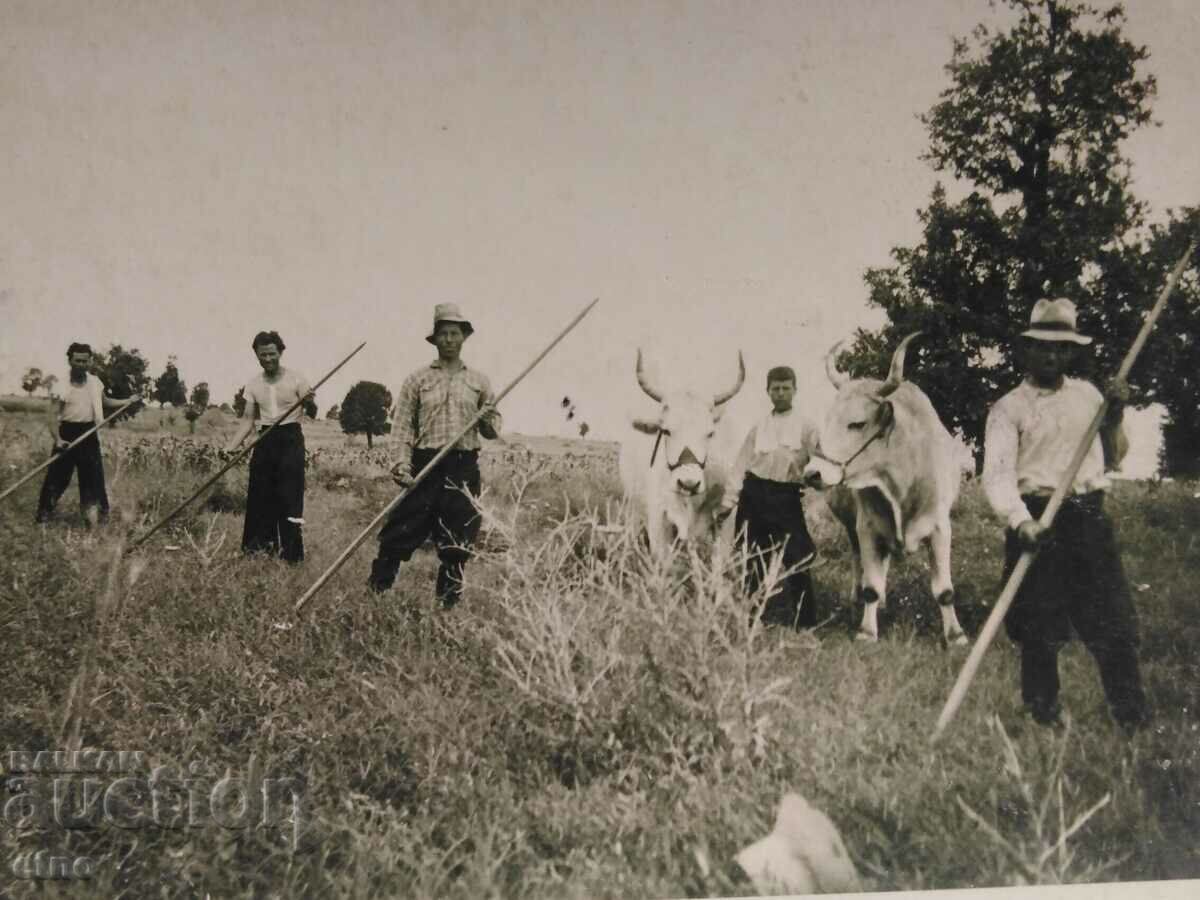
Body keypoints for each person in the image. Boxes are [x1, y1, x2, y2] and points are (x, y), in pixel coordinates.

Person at [983, 297, 1148, 733]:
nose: (1050, 355)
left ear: (1070, 353)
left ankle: (1131, 716)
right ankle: (1043, 715)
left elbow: (1112, 457)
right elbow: (998, 478)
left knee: (1112, 621)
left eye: (1060, 348)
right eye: (1041, 346)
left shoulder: (1090, 396)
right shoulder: (1007, 409)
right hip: (1036, 518)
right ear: (1026, 350)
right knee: (1039, 626)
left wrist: (1115, 416)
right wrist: (1022, 522)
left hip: (1087, 517)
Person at [368, 304, 501, 608]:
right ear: (435, 338)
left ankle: (447, 607)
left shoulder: (479, 382)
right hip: (425, 464)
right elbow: (401, 428)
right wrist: (401, 465)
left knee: (457, 540)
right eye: (443, 334)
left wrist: (485, 418)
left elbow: (493, 430)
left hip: (463, 467)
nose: (449, 339)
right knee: (399, 533)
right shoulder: (417, 379)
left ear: (464, 337)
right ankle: (375, 595)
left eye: (455, 333)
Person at [722, 365, 821, 628]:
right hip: (754, 497)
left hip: (786, 498)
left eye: (785, 388)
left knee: (797, 559)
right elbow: (740, 465)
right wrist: (728, 501)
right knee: (753, 561)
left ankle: (805, 624)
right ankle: (750, 621)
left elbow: (820, 463)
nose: (780, 393)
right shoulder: (758, 427)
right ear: (767, 392)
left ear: (795, 390)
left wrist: (816, 494)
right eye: (775, 389)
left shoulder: (808, 427)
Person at [225, 331, 313, 564]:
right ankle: (259, 552)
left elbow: (312, 412)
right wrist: (231, 446)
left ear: (280, 352)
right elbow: (247, 421)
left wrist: (309, 401)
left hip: (290, 437)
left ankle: (292, 557)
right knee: (260, 495)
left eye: (272, 354)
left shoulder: (297, 379)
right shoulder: (253, 384)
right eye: (262, 355)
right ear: (256, 355)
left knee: (289, 497)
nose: (267, 359)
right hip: (264, 439)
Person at [36, 343, 137, 525]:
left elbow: (105, 402)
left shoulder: (95, 383)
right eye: (77, 361)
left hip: (89, 432)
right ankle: (44, 514)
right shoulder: (61, 385)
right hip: (67, 433)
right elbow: (51, 416)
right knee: (57, 477)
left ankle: (95, 517)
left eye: (85, 360)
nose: (81, 364)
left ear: (90, 361)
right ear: (70, 361)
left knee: (93, 477)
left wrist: (126, 401)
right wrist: (58, 439)